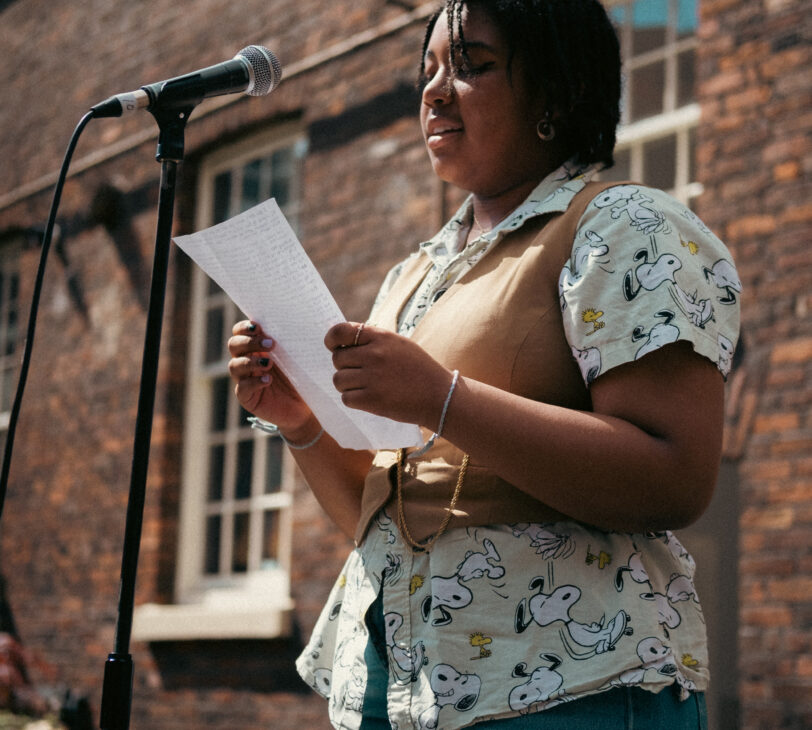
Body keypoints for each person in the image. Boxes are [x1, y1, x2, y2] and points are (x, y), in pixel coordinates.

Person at [227, 0, 741, 727]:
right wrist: (302, 422)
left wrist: (442, 399)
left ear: (554, 93)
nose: (434, 91)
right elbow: (386, 517)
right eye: (427, 70)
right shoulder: (414, 274)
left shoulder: (622, 223)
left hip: (565, 685)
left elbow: (676, 476)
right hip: (397, 681)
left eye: (471, 65)